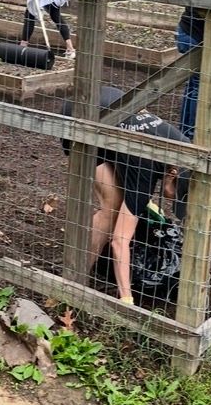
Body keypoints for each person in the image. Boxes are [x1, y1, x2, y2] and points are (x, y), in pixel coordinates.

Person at [62, 90, 189, 306]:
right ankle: (75, 280)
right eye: (175, 196)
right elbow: (120, 242)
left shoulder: (185, 146)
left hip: (108, 102)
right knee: (111, 209)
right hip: (81, 116)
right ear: (173, 174)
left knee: (124, 200)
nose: (171, 199)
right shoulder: (145, 170)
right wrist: (127, 298)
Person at [175, 0, 211, 139]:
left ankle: (191, 131)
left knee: (199, 85)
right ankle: (189, 134)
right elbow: (201, 5)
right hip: (193, 33)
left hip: (204, 34)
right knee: (197, 86)